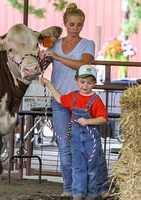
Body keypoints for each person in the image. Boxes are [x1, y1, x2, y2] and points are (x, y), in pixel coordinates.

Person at [39, 3, 109, 198]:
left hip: (83, 100)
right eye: (71, 24)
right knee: (65, 146)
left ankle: (100, 186)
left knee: (93, 146)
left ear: (83, 25)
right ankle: (70, 188)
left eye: (79, 25)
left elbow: (84, 64)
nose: (75, 28)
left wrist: (57, 57)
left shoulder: (88, 44)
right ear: (65, 24)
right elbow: (41, 53)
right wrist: (44, 55)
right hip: (61, 100)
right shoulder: (53, 43)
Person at [40, 65, 108, 200]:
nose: (85, 86)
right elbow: (60, 99)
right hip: (76, 138)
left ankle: (92, 193)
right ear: (76, 80)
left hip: (91, 138)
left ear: (94, 83)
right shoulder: (73, 97)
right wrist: (49, 84)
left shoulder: (96, 100)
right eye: (82, 82)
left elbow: (103, 118)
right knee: (78, 166)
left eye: (89, 83)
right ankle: (78, 193)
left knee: (92, 167)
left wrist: (88, 121)